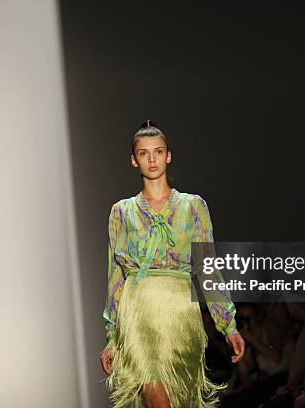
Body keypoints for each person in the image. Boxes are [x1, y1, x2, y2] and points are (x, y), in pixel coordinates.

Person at [99, 120, 245, 408]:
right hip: (138, 313)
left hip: (180, 313)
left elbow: (207, 268)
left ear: (169, 155)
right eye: (143, 153)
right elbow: (116, 276)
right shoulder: (121, 212)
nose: (151, 159)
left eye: (158, 151)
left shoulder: (193, 207)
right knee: (158, 402)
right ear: (133, 159)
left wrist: (228, 325)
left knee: (180, 400)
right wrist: (112, 337)